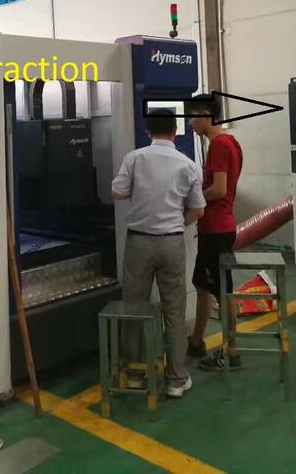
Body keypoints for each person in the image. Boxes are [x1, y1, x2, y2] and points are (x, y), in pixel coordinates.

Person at [110, 108, 205, 399]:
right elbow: (198, 210)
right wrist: (176, 222)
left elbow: (117, 192)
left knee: (134, 307)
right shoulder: (188, 164)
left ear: (148, 131)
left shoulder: (135, 158)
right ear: (175, 131)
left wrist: (142, 194)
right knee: (174, 310)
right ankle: (176, 379)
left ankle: (135, 374)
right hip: (171, 243)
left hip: (139, 243)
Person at [187, 93, 245, 370]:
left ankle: (230, 352)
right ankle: (197, 339)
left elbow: (219, 189)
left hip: (217, 229)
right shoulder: (231, 142)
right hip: (217, 227)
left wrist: (193, 198)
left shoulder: (219, 145)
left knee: (223, 291)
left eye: (192, 117)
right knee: (202, 284)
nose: (190, 123)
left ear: (205, 115)